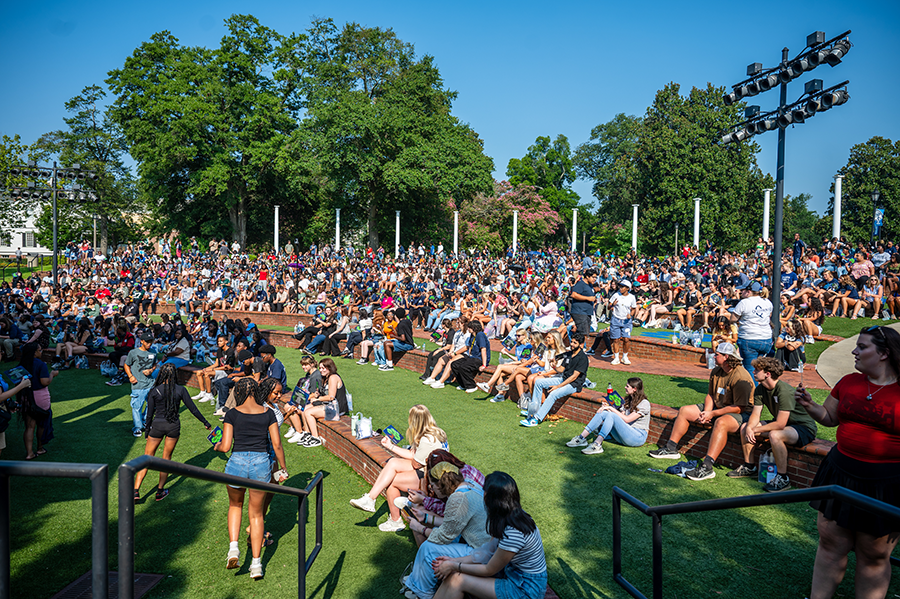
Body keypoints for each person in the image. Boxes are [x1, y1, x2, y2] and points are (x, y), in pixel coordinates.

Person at [795, 325, 900, 599]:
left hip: (884, 484)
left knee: (873, 554)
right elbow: (830, 418)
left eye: (862, 347)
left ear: (884, 354)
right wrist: (810, 406)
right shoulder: (849, 382)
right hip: (839, 473)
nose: (854, 351)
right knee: (830, 544)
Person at [213, 378, 288, 580]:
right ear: (256, 391)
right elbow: (277, 444)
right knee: (256, 515)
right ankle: (256, 564)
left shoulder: (232, 413)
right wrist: (282, 467)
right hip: (261, 464)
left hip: (236, 462)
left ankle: (234, 549)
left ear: (238, 392)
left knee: (235, 506)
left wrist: (217, 446)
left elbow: (226, 446)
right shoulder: (268, 413)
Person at [431, 471, 547, 599]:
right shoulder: (509, 515)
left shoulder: (513, 533)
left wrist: (454, 566)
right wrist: (453, 561)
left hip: (525, 589)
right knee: (455, 576)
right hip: (513, 575)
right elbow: (487, 551)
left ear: (490, 499)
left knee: (457, 580)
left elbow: (489, 569)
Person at [648, 342, 754, 481]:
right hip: (718, 407)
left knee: (721, 423)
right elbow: (710, 395)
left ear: (726, 357)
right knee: (685, 411)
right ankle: (671, 448)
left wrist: (713, 414)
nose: (713, 356)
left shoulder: (741, 377)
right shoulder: (716, 370)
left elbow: (739, 407)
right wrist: (707, 412)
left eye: (716, 354)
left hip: (741, 413)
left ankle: (707, 467)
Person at [350, 405, 448, 532]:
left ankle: (395, 520)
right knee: (393, 463)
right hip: (432, 472)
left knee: (392, 481)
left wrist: (392, 448)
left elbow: (416, 464)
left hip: (430, 478)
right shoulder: (437, 432)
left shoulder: (426, 439)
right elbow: (415, 457)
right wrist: (390, 447)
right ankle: (370, 499)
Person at [402, 461, 491, 599]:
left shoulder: (458, 498)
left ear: (440, 485)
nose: (432, 488)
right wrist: (425, 517)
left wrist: (419, 527)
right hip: (485, 545)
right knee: (433, 544)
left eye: (433, 485)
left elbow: (444, 536)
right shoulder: (468, 484)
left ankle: (422, 593)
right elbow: (451, 523)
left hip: (481, 551)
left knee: (428, 548)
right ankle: (416, 581)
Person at [727, 356, 817, 492]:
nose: (753, 372)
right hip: (786, 425)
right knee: (745, 427)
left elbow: (780, 424)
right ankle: (749, 466)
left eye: (757, 370)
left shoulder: (784, 391)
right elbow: (756, 415)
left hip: (803, 427)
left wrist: (756, 430)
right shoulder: (760, 389)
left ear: (767, 374)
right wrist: (751, 428)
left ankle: (783, 478)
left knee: (775, 435)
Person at [134, 363, 213, 501]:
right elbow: (193, 409)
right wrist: (205, 423)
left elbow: (149, 414)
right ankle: (160, 491)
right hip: (173, 427)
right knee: (166, 460)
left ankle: (135, 491)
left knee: (147, 458)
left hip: (156, 427)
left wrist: (147, 432)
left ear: (161, 374)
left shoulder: (154, 390)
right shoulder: (181, 390)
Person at [565, 377, 651, 455]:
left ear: (634, 389)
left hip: (638, 437)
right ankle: (581, 438)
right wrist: (607, 408)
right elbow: (621, 416)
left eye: (627, 386)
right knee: (605, 412)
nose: (625, 387)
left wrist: (610, 408)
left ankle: (597, 444)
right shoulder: (629, 400)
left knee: (611, 414)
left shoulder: (644, 404)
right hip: (624, 435)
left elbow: (627, 419)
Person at [521, 332, 589, 428]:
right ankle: (534, 410)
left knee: (553, 394)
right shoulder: (569, 354)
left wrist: (558, 387)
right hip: (563, 379)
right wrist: (554, 365)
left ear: (581, 345)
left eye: (575, 343)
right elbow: (561, 369)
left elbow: (574, 377)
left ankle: (536, 419)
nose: (572, 345)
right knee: (538, 382)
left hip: (574, 384)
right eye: (572, 342)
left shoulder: (583, 358)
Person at [297, 357, 348, 447]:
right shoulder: (325, 378)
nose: (321, 370)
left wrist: (318, 399)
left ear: (330, 368)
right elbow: (323, 393)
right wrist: (317, 394)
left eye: (323, 368)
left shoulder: (333, 377)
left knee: (309, 413)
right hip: (328, 405)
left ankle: (315, 438)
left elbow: (331, 397)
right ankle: (308, 433)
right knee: (304, 408)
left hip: (336, 408)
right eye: (320, 368)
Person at [19, 342, 58, 460]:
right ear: (34, 352)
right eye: (40, 350)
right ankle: (40, 448)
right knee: (41, 424)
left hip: (26, 396)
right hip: (40, 396)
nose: (42, 352)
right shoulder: (41, 364)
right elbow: (44, 382)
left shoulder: (22, 364)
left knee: (29, 426)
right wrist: (52, 374)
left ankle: (29, 453)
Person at [731, 280, 773, 381]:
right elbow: (769, 316)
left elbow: (733, 319)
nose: (741, 292)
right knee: (761, 369)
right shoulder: (767, 302)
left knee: (751, 370)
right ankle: (762, 392)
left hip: (749, 338)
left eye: (743, 290)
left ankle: (753, 394)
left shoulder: (744, 302)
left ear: (749, 292)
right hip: (766, 339)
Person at [124, 331, 158, 437]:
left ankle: (144, 421)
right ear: (142, 341)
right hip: (138, 385)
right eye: (147, 342)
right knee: (137, 407)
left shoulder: (153, 352)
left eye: (151, 342)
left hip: (150, 383)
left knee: (152, 405)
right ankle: (137, 428)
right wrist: (130, 376)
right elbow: (126, 365)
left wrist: (151, 370)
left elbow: (155, 364)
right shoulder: (133, 353)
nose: (149, 344)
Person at [608, 280, 637, 365]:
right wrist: (612, 304)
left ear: (627, 288)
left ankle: (625, 357)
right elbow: (608, 307)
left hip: (626, 321)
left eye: (622, 287)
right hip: (616, 319)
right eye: (620, 286)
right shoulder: (616, 295)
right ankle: (616, 357)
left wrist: (630, 315)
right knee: (616, 339)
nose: (620, 288)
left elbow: (634, 308)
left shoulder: (632, 297)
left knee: (626, 339)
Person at [568, 268, 597, 336]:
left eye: (596, 277)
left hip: (586, 312)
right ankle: (580, 346)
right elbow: (574, 294)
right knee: (582, 334)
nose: (595, 279)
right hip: (580, 312)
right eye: (593, 277)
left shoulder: (590, 285)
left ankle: (578, 345)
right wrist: (588, 298)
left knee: (583, 333)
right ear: (587, 276)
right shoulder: (581, 284)